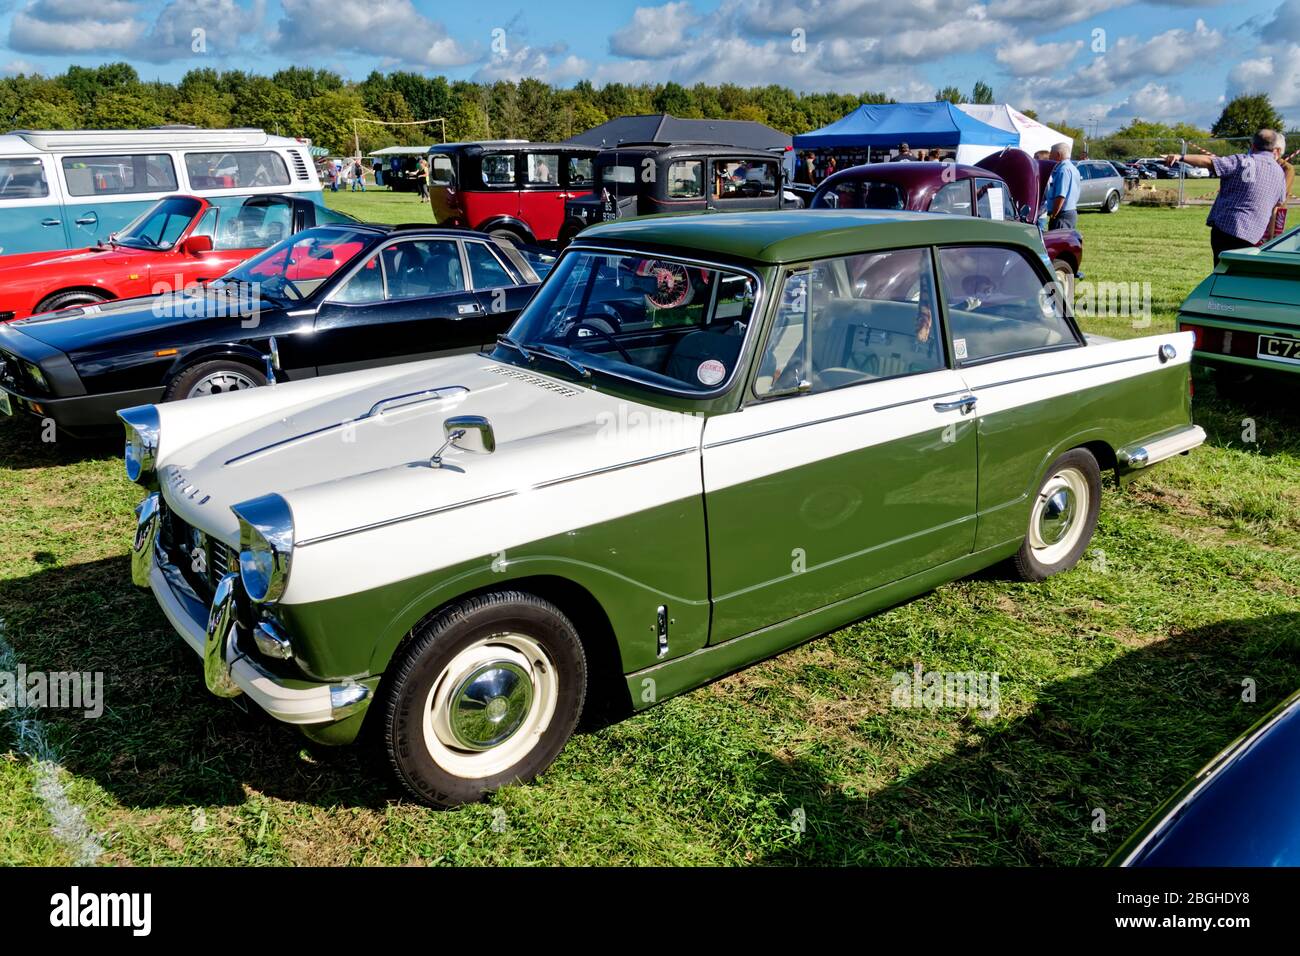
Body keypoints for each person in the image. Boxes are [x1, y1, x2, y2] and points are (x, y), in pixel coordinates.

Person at [1166, 130, 1287, 263]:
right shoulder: (1279, 172)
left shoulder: (1241, 161)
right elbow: (1278, 204)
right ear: (1275, 149)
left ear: (1253, 145)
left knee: (1222, 271)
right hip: (1254, 235)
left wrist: (1181, 157)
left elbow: (1209, 162)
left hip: (1227, 228)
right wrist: (1270, 237)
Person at [1043, 142, 1080, 230]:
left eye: (1051, 154)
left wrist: (1054, 215)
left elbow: (1060, 196)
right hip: (1070, 213)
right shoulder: (1073, 168)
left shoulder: (1062, 170)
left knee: (1057, 242)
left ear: (1058, 155)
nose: (1049, 158)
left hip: (1062, 216)